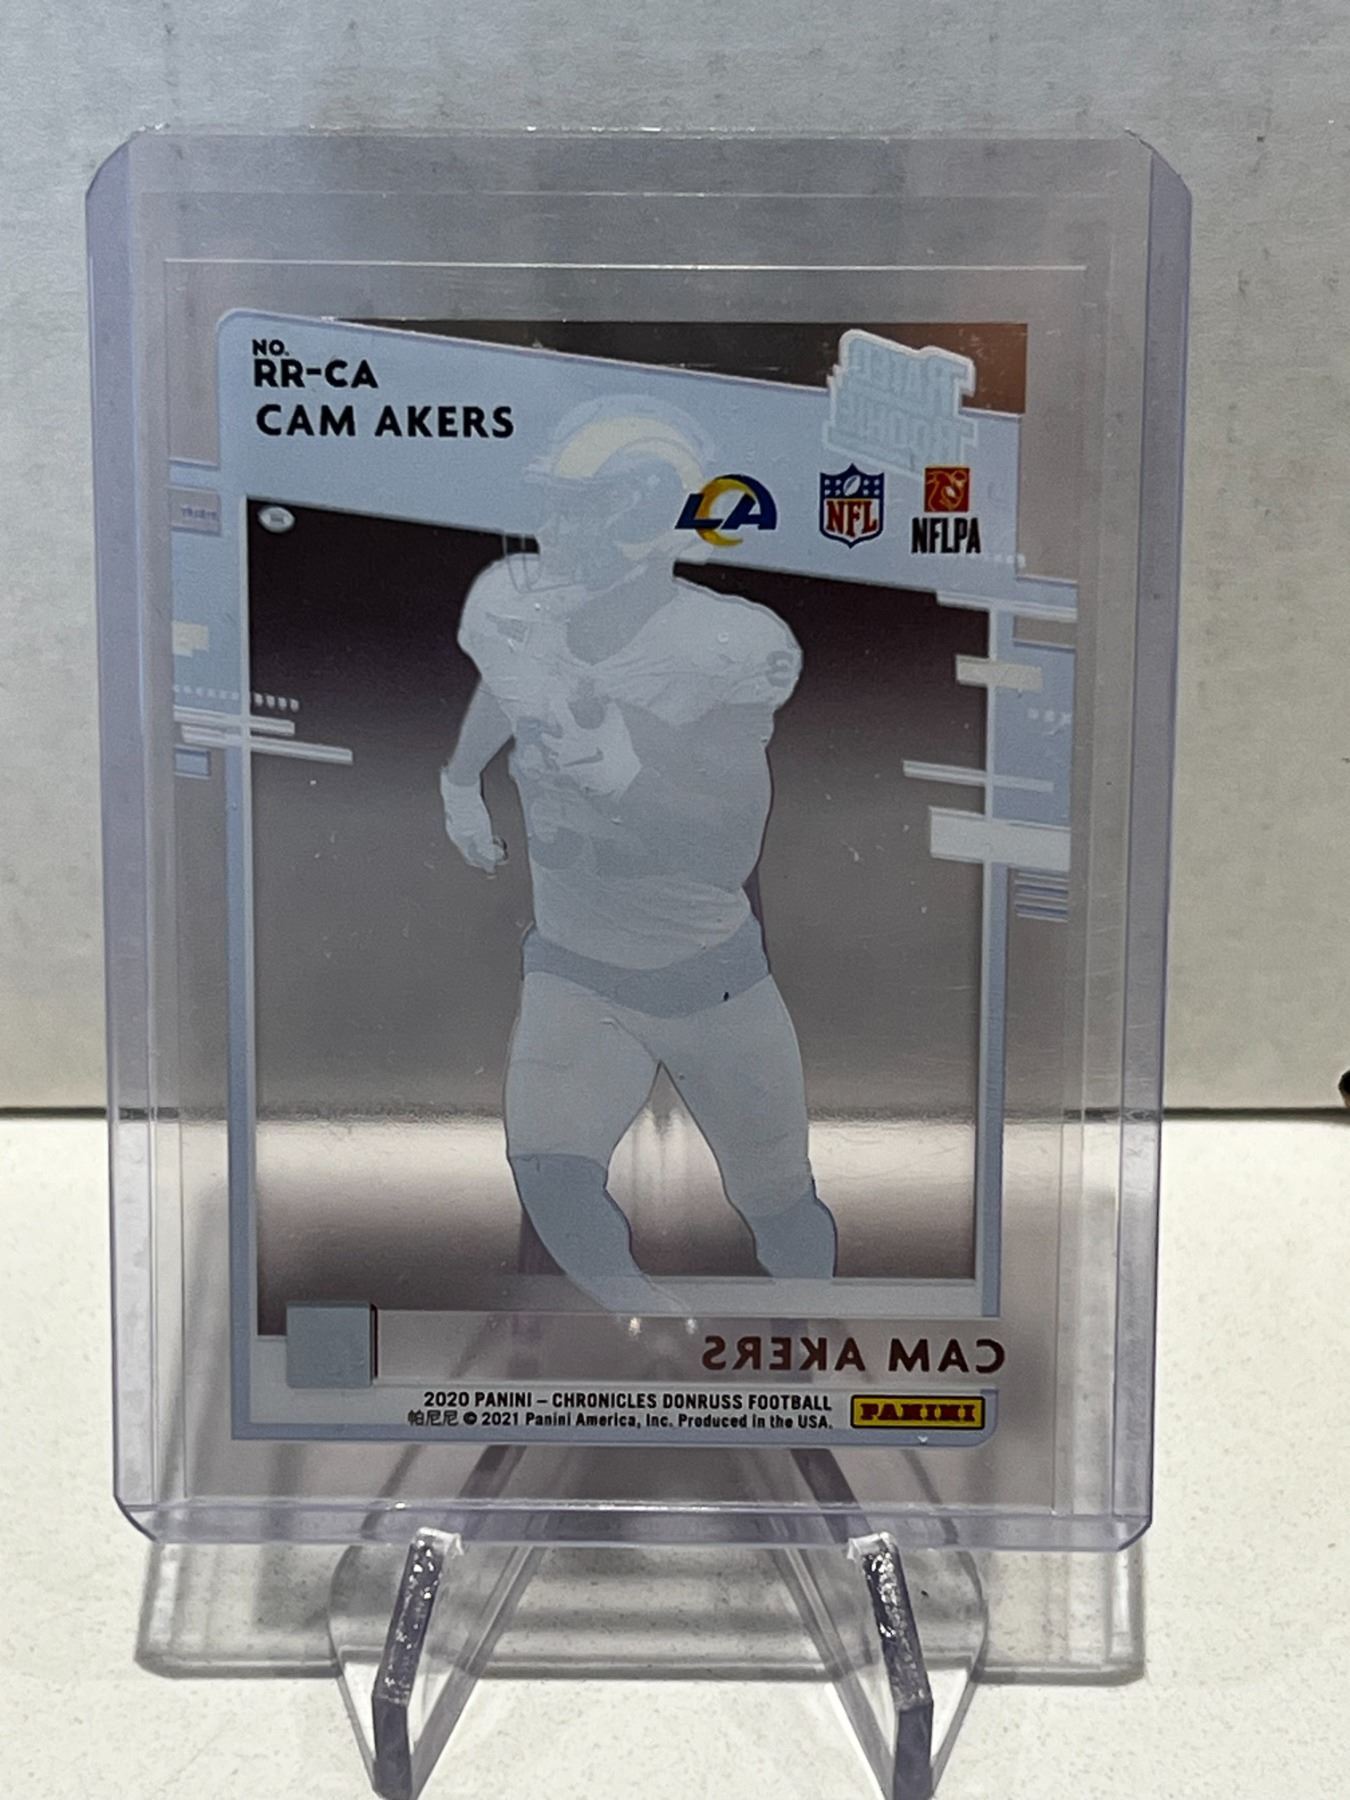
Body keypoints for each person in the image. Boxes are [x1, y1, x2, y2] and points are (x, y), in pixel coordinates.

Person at [440, 397, 837, 1311]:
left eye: (578, 508)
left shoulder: (720, 646)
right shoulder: (519, 611)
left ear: (647, 512)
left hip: (712, 983)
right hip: (574, 973)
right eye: (555, 505)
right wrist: (461, 778)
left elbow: (727, 847)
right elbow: (511, 683)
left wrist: (623, 776)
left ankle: (812, 1336)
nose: (552, 530)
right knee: (549, 1178)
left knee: (779, 1206)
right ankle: (649, 1338)